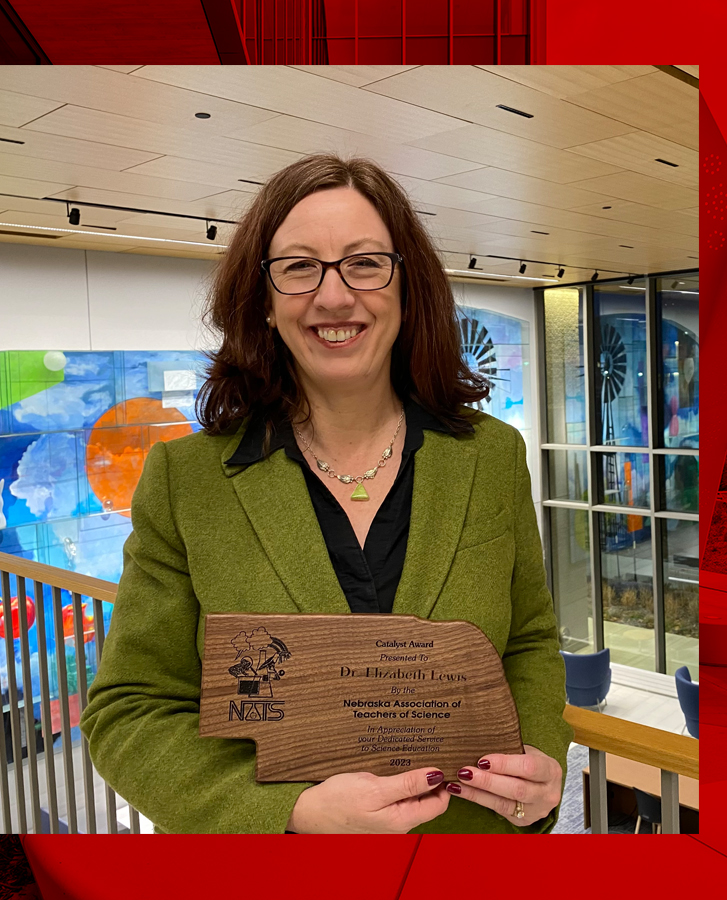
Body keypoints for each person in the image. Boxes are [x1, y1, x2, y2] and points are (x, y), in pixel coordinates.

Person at [80, 154, 572, 833]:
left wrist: (540, 768)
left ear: (408, 287)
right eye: (299, 266)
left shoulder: (491, 457)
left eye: (365, 263)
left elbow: (528, 643)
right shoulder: (185, 484)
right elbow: (128, 711)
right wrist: (290, 814)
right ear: (264, 302)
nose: (335, 297)